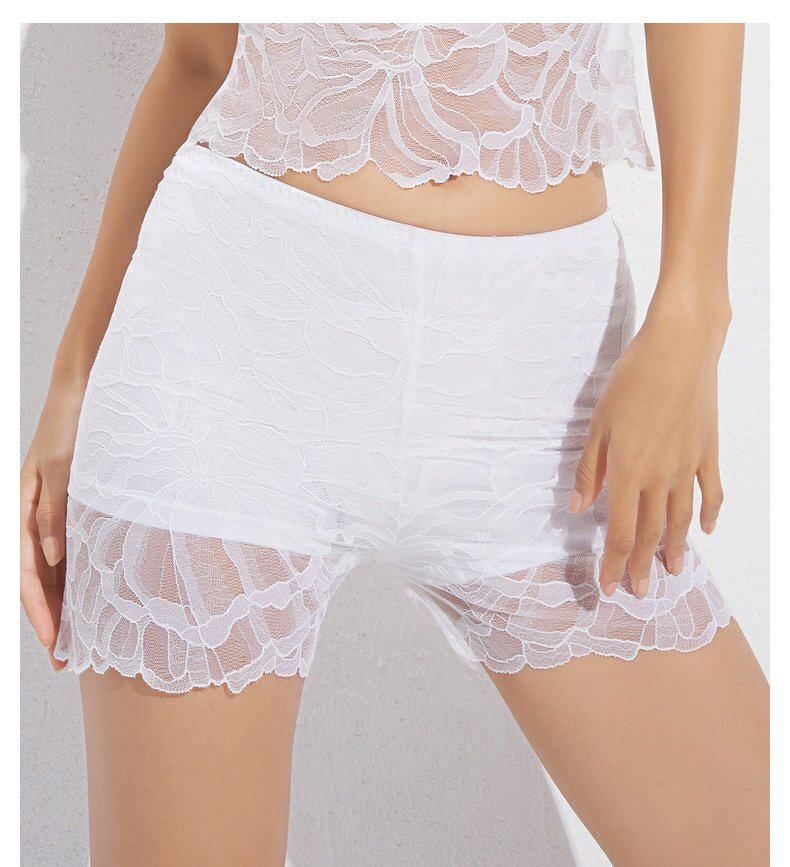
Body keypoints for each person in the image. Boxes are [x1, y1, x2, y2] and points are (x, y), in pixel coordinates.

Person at [21, 23, 767, 866]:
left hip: (546, 385)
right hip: (229, 348)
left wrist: (693, 314)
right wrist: (75, 379)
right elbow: (200, 56)